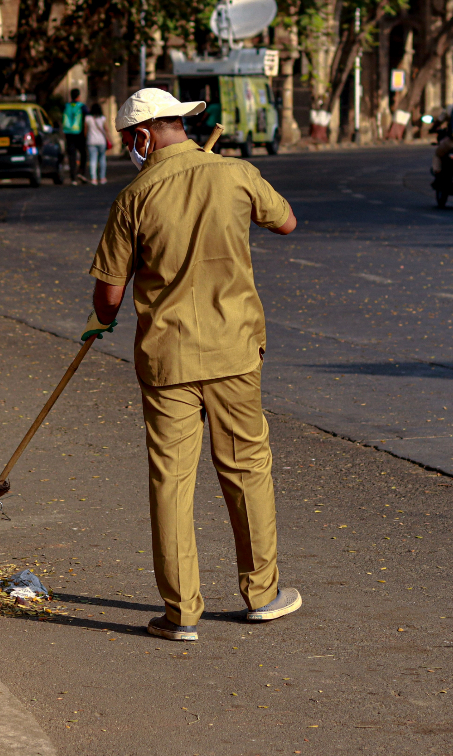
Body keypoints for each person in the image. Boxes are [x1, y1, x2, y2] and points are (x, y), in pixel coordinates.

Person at [87, 86, 302, 643]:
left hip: (168, 359)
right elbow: (286, 222)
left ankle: (181, 613)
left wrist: (102, 319)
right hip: (235, 351)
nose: (128, 148)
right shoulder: (235, 173)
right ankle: (263, 595)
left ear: (142, 137)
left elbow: (109, 295)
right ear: (179, 124)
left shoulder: (134, 197)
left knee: (172, 481)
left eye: (128, 140)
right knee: (246, 469)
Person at [61, 88, 87, 183]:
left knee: (72, 155)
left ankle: (73, 178)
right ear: (78, 96)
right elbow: (87, 118)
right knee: (83, 153)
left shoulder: (66, 106)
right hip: (79, 133)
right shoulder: (82, 106)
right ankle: (81, 172)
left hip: (68, 133)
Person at [84, 101, 110, 185]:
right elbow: (106, 129)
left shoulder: (88, 118)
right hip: (101, 141)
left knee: (93, 159)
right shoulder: (102, 118)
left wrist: (86, 138)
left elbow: (85, 130)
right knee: (102, 159)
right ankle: (102, 178)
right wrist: (109, 138)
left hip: (91, 141)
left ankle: (94, 179)